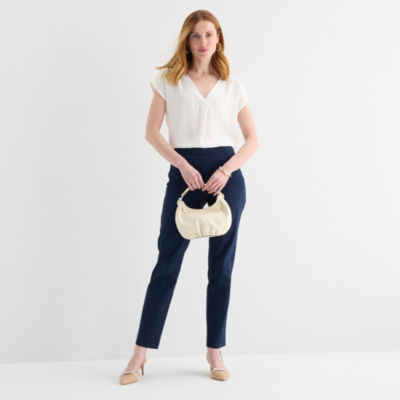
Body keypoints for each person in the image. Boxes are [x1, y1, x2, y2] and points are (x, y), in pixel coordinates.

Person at [120, 9, 258, 385]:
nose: (203, 42)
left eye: (209, 35)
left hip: (225, 178)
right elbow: (152, 132)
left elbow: (252, 140)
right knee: (167, 263)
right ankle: (139, 354)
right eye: (196, 35)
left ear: (218, 39)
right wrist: (181, 164)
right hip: (184, 175)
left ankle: (215, 351)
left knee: (222, 267)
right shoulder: (169, 81)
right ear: (187, 39)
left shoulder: (232, 85)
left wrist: (226, 171)